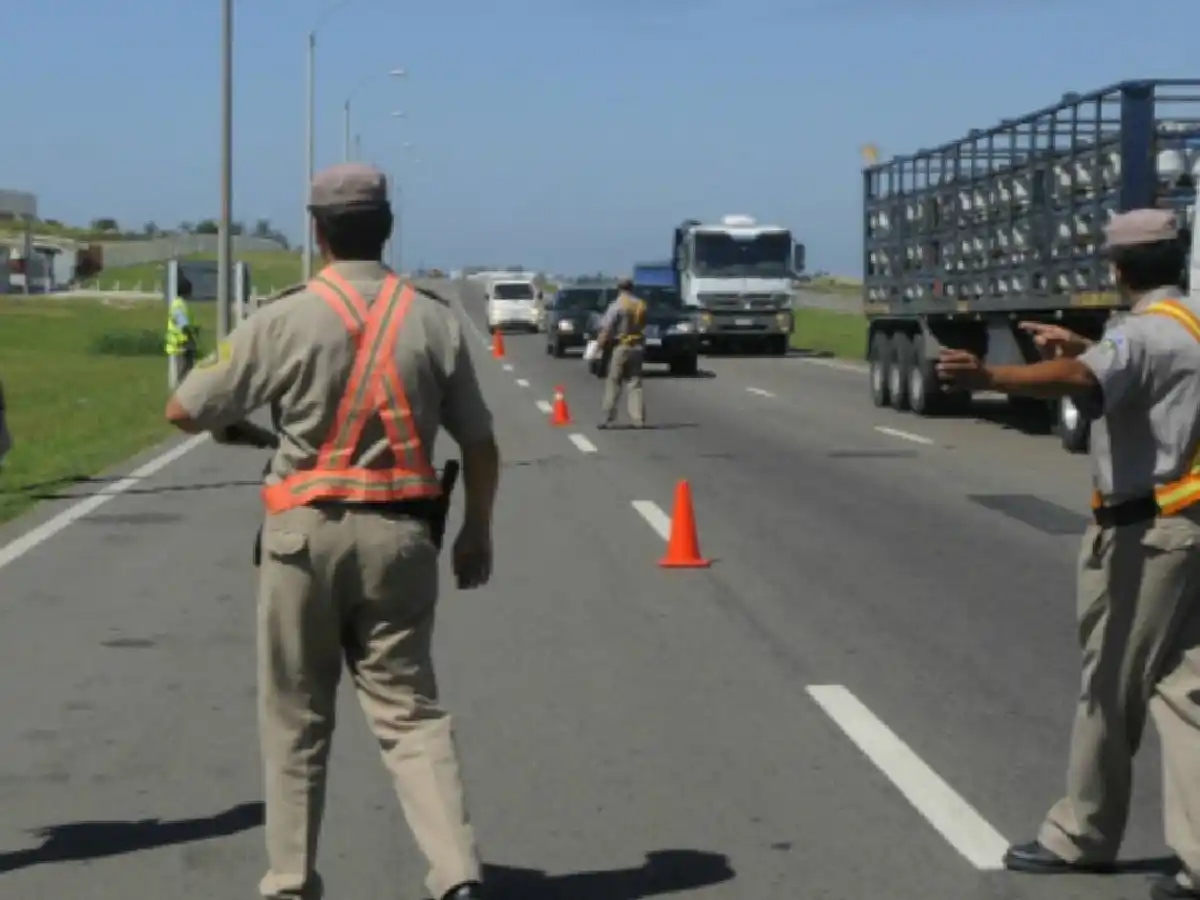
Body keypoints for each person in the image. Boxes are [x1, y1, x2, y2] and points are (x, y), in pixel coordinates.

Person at [163, 161, 500, 900]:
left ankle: (290, 881)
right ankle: (457, 875)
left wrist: (246, 428)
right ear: (387, 228)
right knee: (410, 715)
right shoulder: (434, 319)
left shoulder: (284, 317)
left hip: (301, 541)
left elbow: (184, 408)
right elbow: (479, 443)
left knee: (296, 718)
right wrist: (477, 531)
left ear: (317, 233)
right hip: (402, 539)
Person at [937, 208, 1200, 900]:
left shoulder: (1139, 334)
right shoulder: (1186, 322)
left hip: (1148, 536)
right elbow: (1150, 370)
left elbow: (1084, 380)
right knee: (1184, 693)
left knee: (1108, 686)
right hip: (1191, 524)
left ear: (1117, 267)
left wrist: (991, 374)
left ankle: (1080, 835)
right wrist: (1087, 343)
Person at [595, 277, 647, 429]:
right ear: (632, 288)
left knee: (614, 382)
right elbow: (643, 325)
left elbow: (606, 328)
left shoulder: (617, 305)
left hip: (621, 346)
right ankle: (638, 418)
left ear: (618, 288)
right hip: (637, 346)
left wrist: (598, 346)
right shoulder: (640, 304)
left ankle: (607, 417)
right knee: (635, 382)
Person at [165, 277, 198, 388]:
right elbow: (183, 324)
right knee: (184, 371)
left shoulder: (179, 304)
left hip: (181, 341)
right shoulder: (179, 305)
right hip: (181, 342)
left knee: (187, 370)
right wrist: (191, 335)